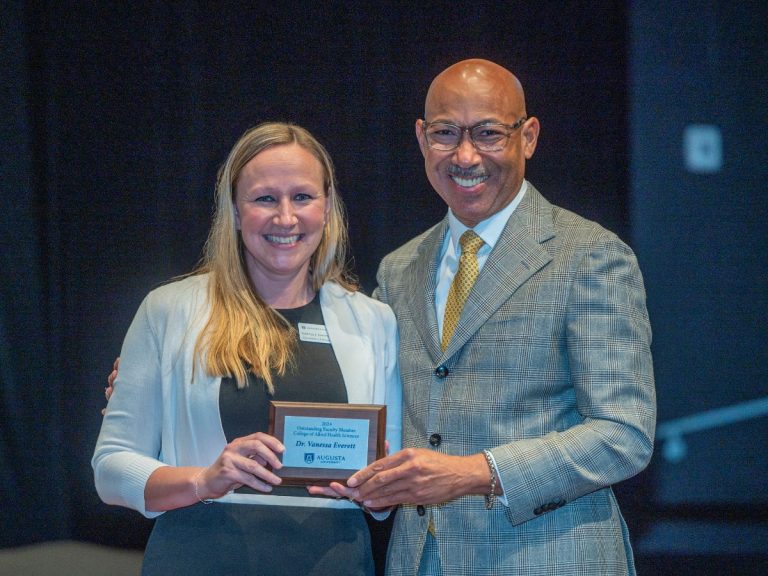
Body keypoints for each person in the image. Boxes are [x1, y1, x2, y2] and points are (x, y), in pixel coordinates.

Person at [345, 59, 656, 575]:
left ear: (528, 136)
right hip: (419, 560)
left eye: (488, 133)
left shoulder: (590, 254)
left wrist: (476, 473)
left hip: (549, 558)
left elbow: (623, 435)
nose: (466, 155)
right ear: (422, 140)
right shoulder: (399, 269)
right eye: (445, 133)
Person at [92, 122, 402, 576]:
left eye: (302, 197)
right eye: (264, 199)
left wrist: (377, 488)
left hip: (335, 559)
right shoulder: (170, 310)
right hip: (200, 555)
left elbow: (387, 492)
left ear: (328, 206)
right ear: (235, 211)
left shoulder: (374, 322)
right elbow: (110, 469)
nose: (285, 217)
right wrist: (203, 479)